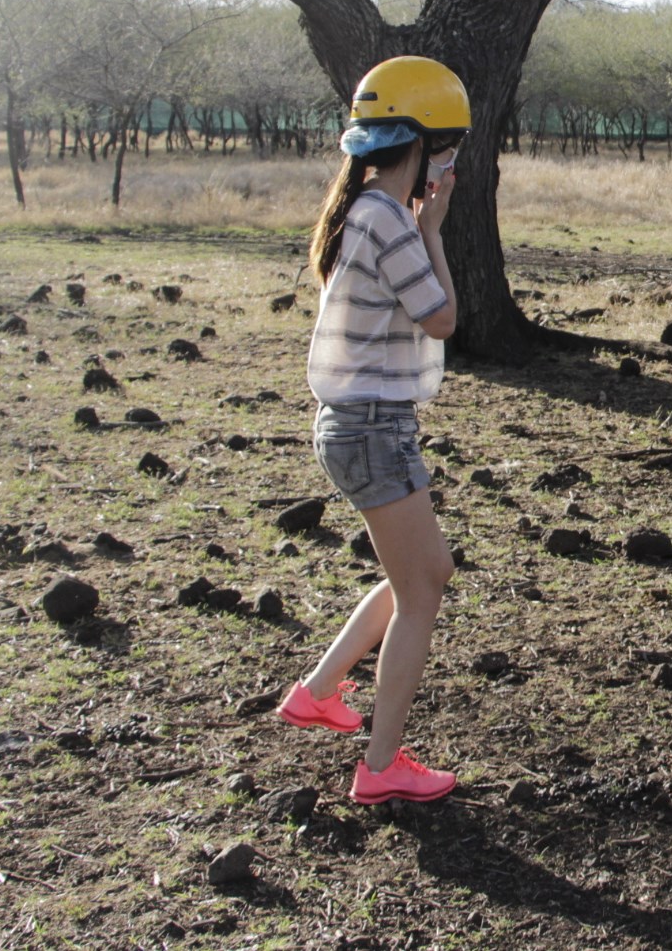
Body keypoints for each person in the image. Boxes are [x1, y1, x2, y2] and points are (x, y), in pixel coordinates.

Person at [276, 56, 469, 804]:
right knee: (427, 585)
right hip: (373, 430)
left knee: (413, 574)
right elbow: (444, 317)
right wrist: (436, 231)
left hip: (353, 427)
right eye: (444, 144)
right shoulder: (389, 219)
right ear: (419, 144)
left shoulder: (358, 209)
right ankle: (383, 766)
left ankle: (320, 691)